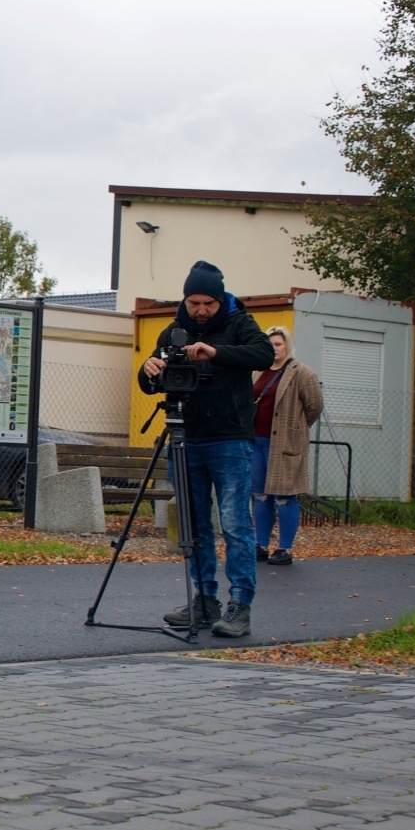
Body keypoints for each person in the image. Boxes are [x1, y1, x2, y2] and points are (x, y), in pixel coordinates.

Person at [138, 261, 274, 638]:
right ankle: (204, 600)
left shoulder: (240, 324)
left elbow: (263, 355)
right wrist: (148, 369)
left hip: (229, 438)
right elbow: (151, 383)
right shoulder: (173, 330)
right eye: (194, 302)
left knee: (234, 525)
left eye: (208, 303)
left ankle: (239, 605)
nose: (200, 310)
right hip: (186, 438)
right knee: (194, 525)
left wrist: (214, 352)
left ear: (220, 300)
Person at [252, 325, 324, 566]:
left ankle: (284, 548)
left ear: (287, 345)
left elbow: (314, 407)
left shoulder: (301, 373)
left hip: (284, 443)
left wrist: (296, 430)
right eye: (270, 344)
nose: (274, 349)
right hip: (257, 442)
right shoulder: (257, 372)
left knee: (284, 496)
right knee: (260, 495)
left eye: (278, 344)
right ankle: (260, 544)